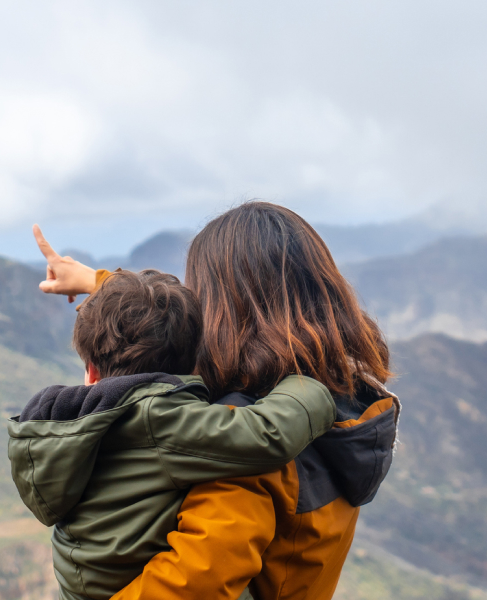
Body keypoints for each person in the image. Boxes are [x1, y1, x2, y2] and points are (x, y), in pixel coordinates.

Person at [34, 202, 400, 600]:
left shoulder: (244, 443)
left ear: (219, 311)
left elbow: (186, 588)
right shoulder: (337, 394)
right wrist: (97, 281)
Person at [8, 267, 337, 599]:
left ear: (91, 372)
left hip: (81, 584)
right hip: (131, 586)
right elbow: (269, 434)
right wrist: (308, 383)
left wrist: (96, 282)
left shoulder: (65, 426)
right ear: (193, 364)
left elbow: (131, 322)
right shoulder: (161, 420)